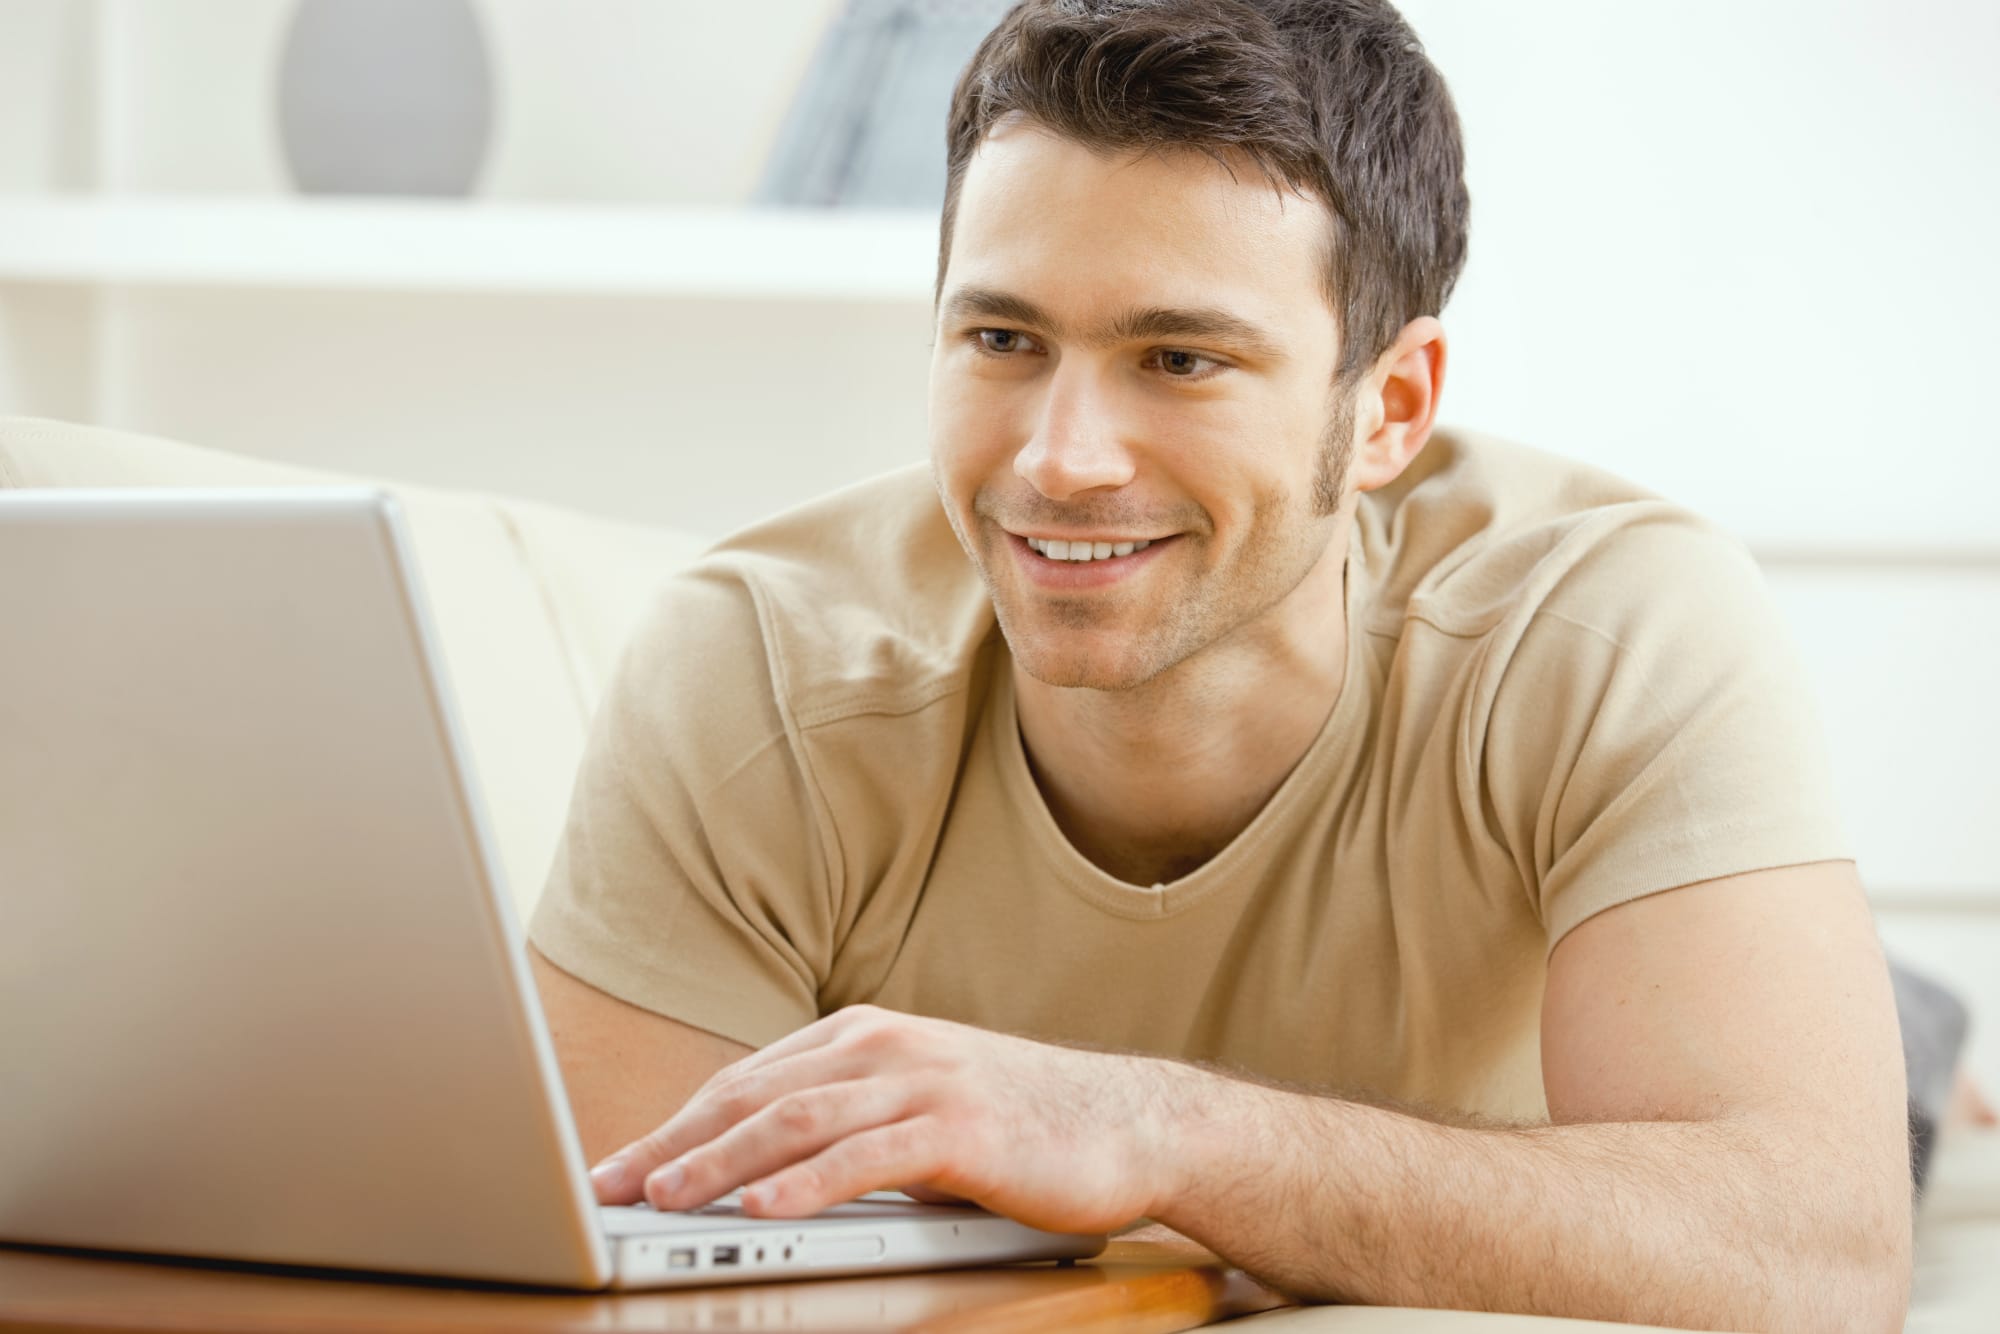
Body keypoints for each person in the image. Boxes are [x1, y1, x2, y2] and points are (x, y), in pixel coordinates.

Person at [525, 1, 1916, 1326]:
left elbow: (1817, 1261)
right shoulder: (761, 667)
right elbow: (596, 1247)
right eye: (1002, 338)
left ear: (1392, 408)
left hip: (1601, 960)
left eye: (1180, 358)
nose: (1061, 459)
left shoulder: (1607, 630)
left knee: (1903, 1068)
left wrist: (1157, 1128)